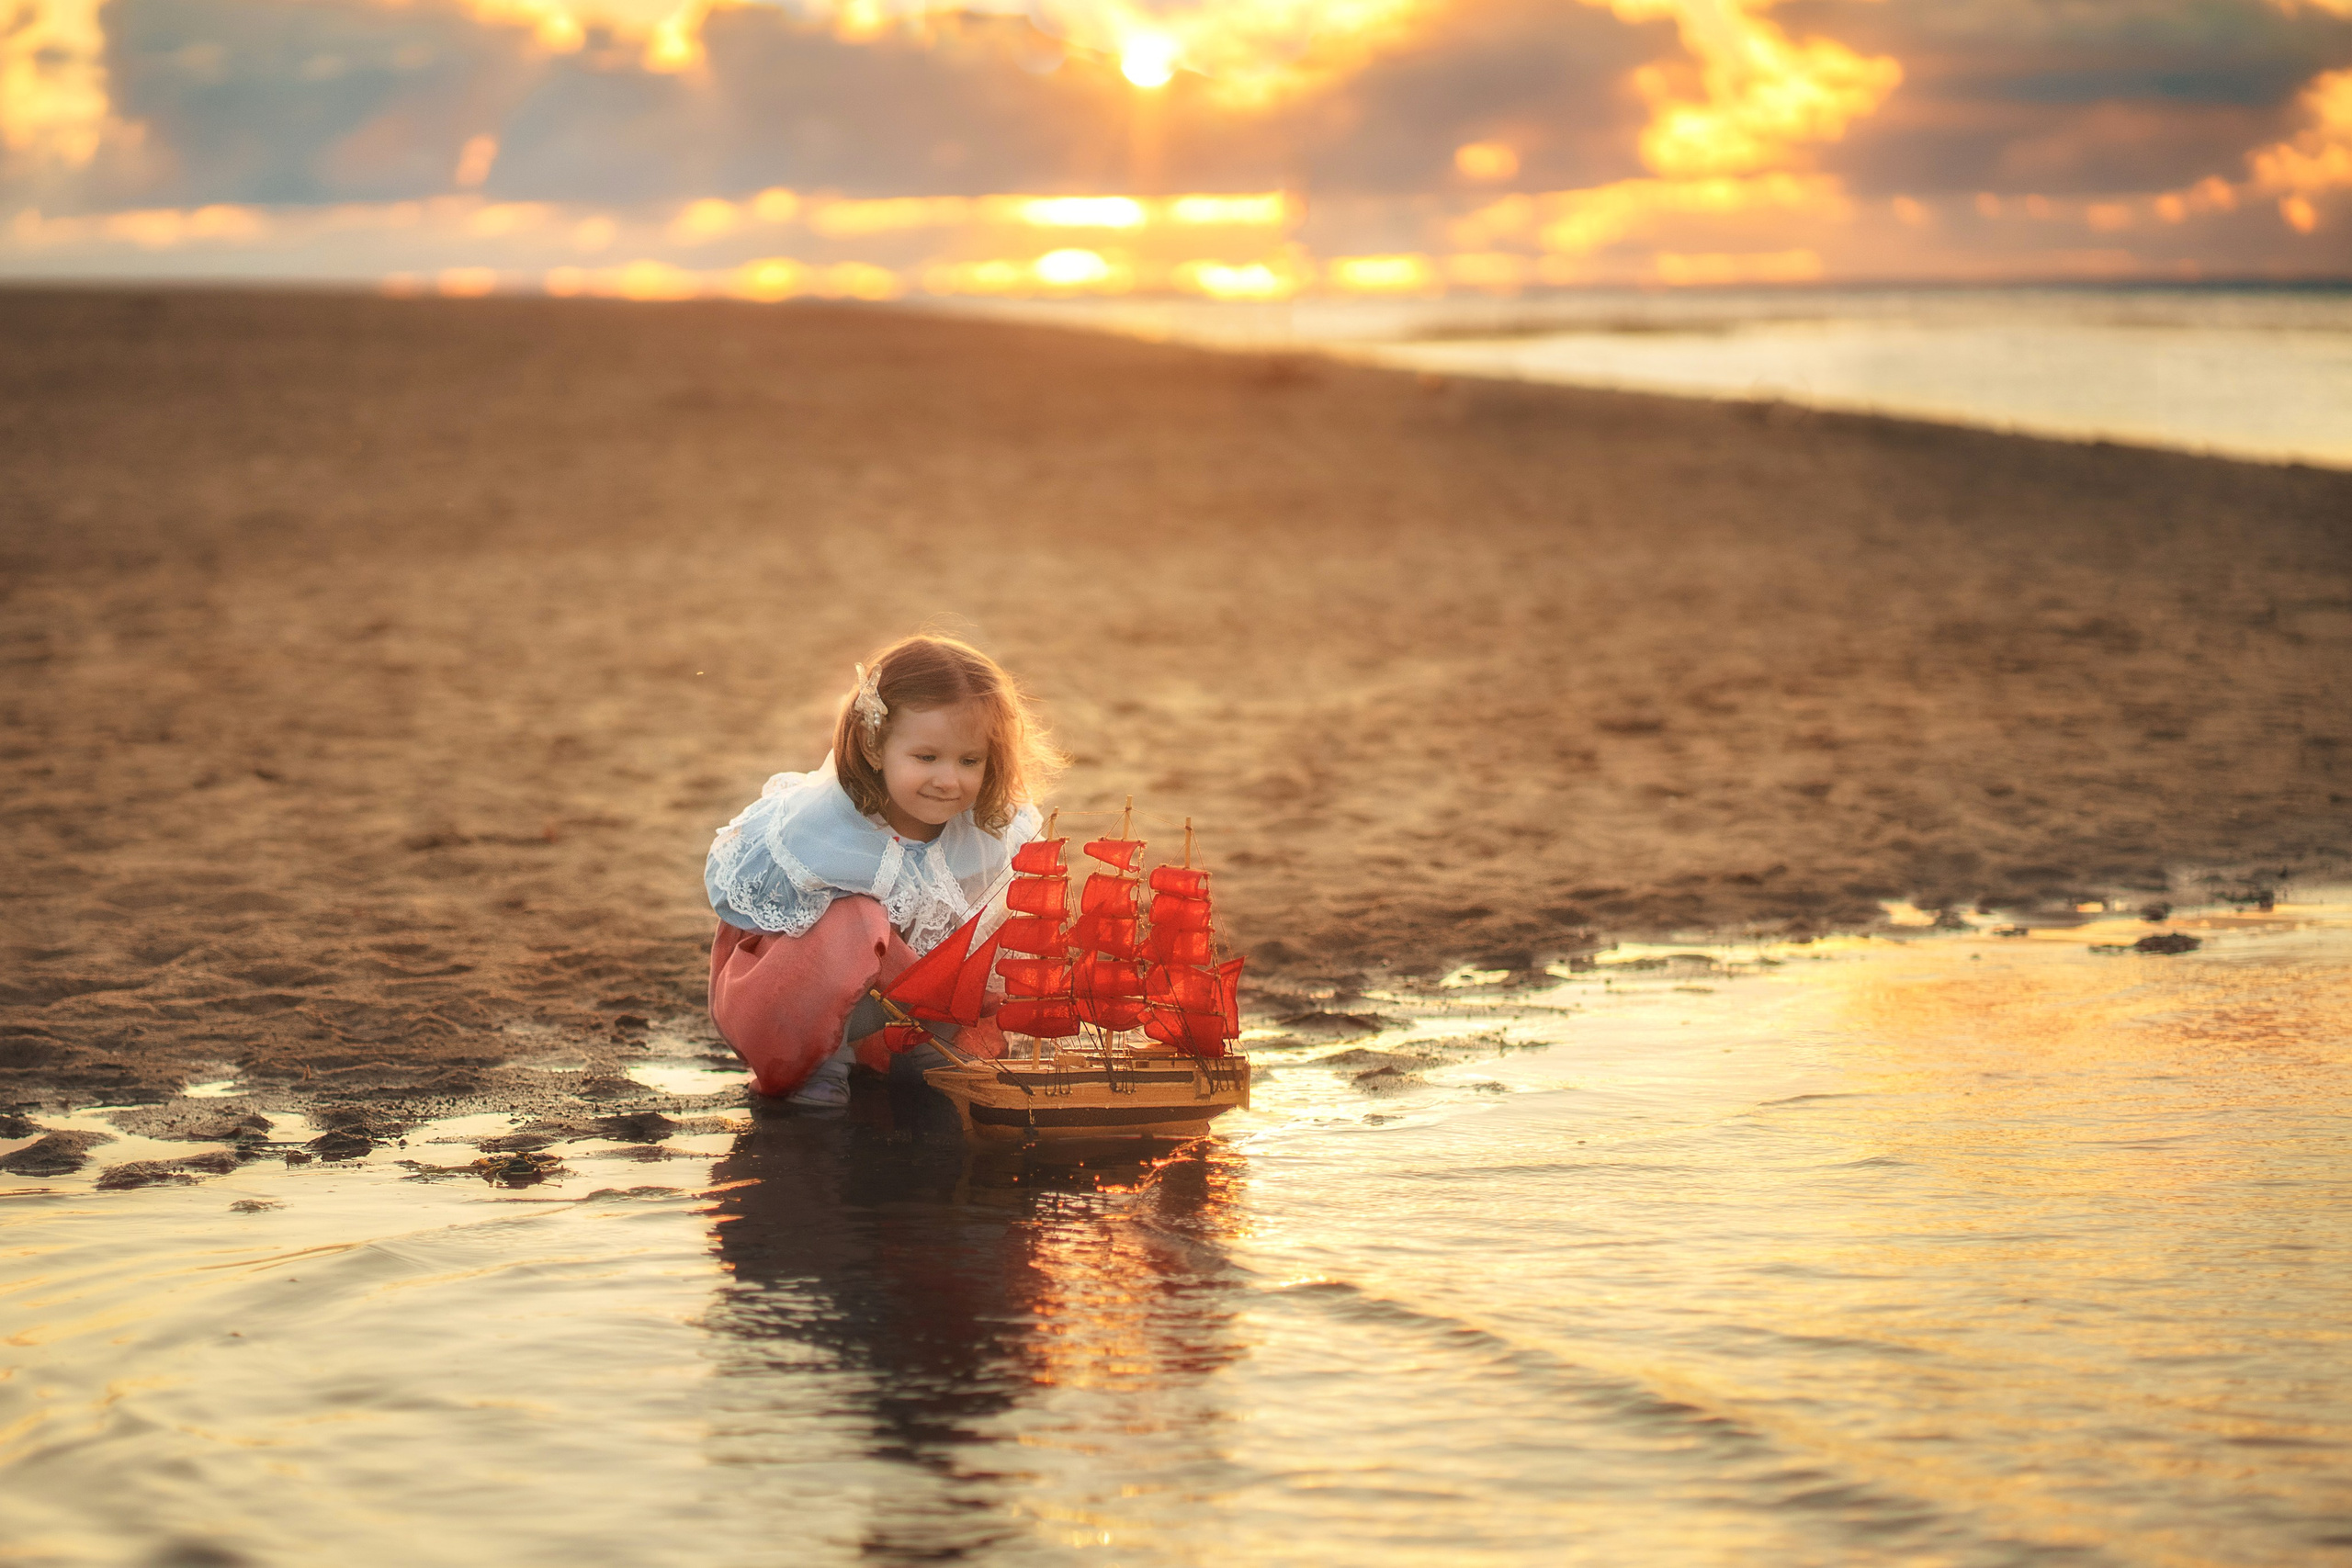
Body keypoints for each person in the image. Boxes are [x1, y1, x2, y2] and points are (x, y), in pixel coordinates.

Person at [705, 636, 1060, 1106]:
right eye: (926, 757)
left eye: (969, 760)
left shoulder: (984, 834)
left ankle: (918, 1048)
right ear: (875, 748)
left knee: (968, 938)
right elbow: (740, 906)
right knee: (857, 919)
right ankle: (819, 1065)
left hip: (900, 1011)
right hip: (791, 1007)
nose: (948, 780)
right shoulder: (823, 823)